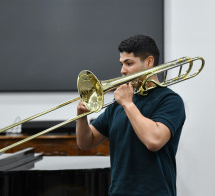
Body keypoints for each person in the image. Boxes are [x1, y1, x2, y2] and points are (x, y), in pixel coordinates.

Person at [76, 34, 186, 196]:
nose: (122, 70)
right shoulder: (118, 105)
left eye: (129, 63)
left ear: (149, 62)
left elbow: (154, 140)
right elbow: (86, 143)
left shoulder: (170, 101)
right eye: (122, 63)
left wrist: (128, 103)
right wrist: (81, 117)